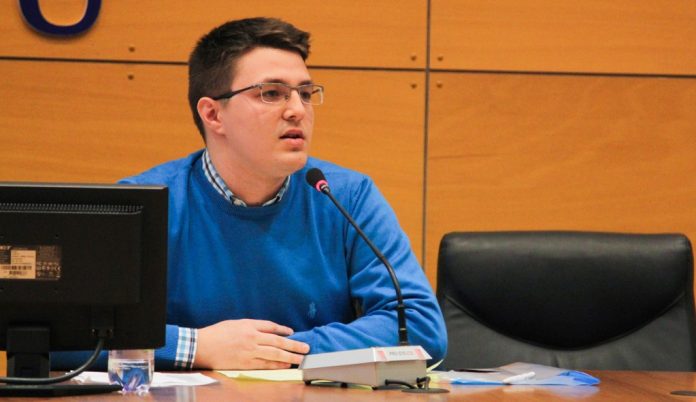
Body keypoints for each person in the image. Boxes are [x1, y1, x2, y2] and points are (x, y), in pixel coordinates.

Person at [56, 17, 447, 371]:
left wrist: (278, 352)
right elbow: (61, 336)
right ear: (213, 114)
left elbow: (419, 326)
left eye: (305, 93)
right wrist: (196, 347)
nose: (297, 110)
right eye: (272, 93)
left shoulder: (346, 196)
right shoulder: (143, 205)